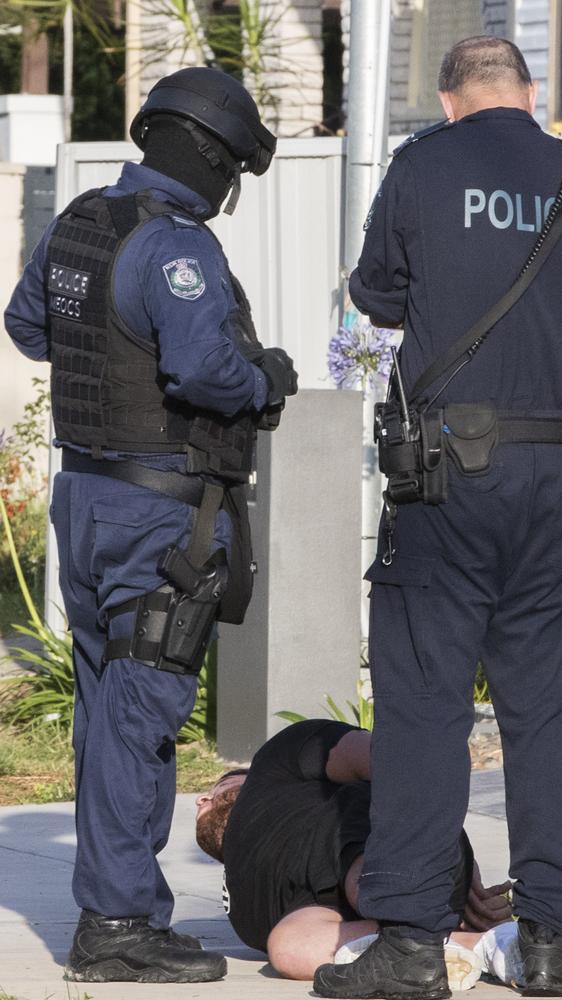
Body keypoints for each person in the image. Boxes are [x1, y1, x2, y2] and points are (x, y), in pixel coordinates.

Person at [313, 36, 562, 1000]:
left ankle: (409, 947)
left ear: (450, 103)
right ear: (528, 94)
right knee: (544, 712)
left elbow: (374, 296)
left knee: (423, 705)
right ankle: (555, 944)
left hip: (451, 481)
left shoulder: (421, 164)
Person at [4, 67, 297, 984]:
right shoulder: (178, 246)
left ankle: (114, 901)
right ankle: (120, 924)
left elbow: (27, 325)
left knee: (104, 713)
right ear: (210, 156)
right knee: (140, 718)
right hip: (156, 518)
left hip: (85, 501)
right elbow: (208, 370)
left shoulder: (80, 223)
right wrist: (268, 380)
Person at [195, 719, 521, 988]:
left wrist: (462, 862)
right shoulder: (240, 903)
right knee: (287, 949)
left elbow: (391, 761)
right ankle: (486, 946)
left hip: (389, 847)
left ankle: (419, 921)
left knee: (350, 862)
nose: (202, 799)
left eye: (219, 787)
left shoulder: (275, 762)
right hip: (347, 913)